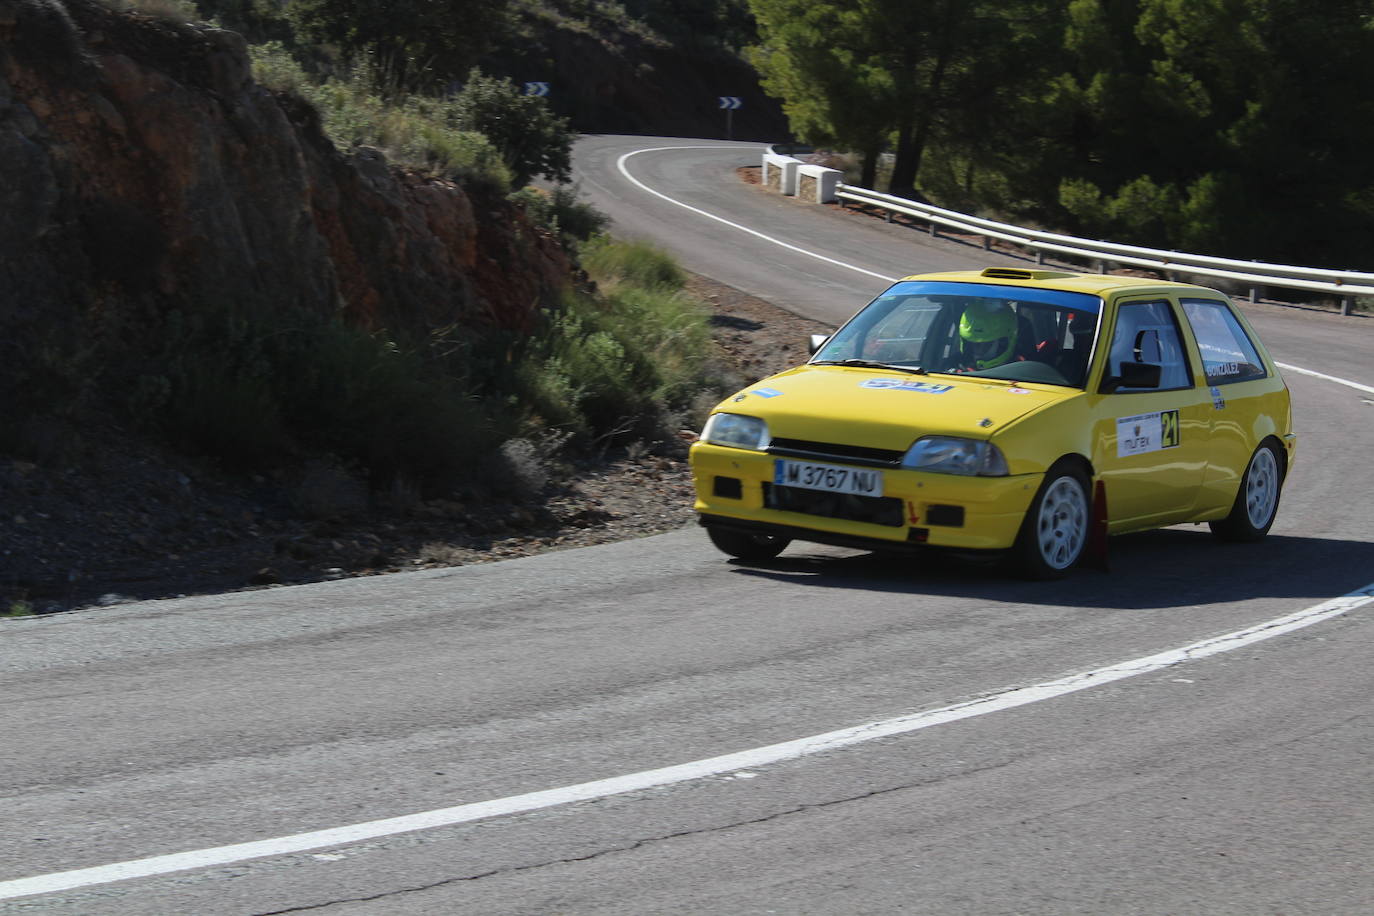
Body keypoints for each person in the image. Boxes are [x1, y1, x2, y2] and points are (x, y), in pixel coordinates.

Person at [958, 300, 1019, 369]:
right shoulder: (953, 369)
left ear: (1003, 343)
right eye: (973, 344)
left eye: (986, 345)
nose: (978, 352)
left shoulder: (1022, 372)